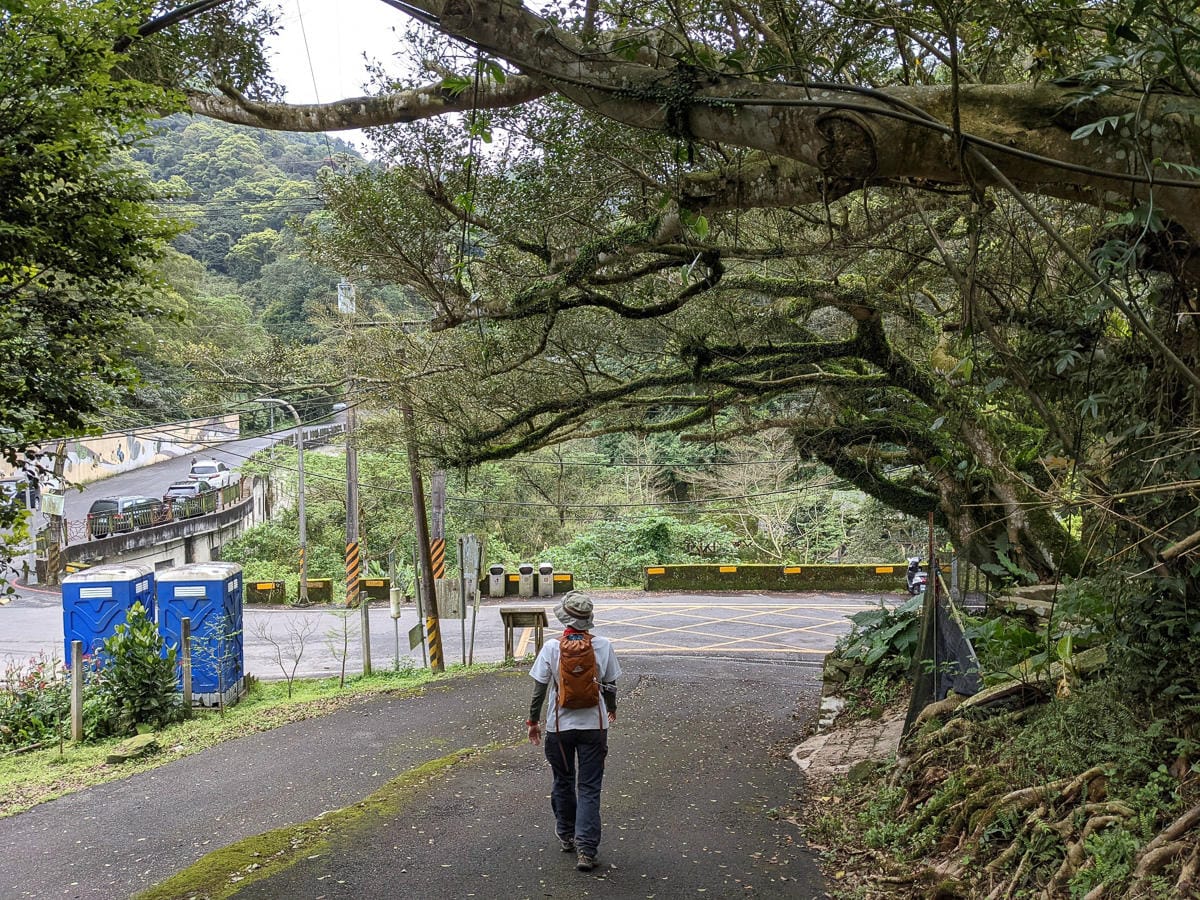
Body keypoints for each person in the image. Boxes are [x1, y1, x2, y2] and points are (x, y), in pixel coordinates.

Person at [526, 591, 622, 872]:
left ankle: (567, 834)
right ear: (589, 619)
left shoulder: (551, 647)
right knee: (589, 787)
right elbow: (610, 685)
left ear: (564, 619)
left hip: (559, 728)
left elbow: (539, 690)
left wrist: (533, 722)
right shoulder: (603, 645)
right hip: (594, 727)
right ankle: (587, 851)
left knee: (563, 780)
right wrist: (611, 708)